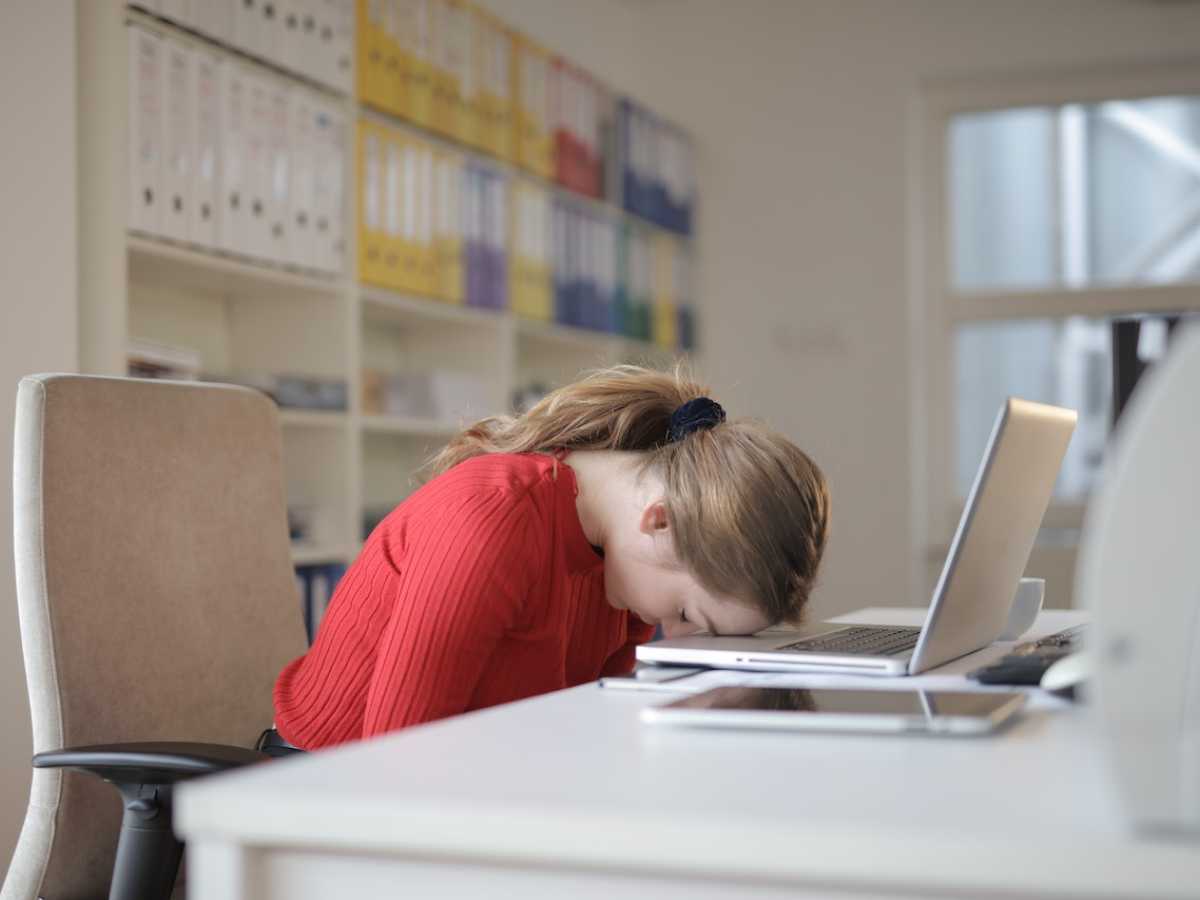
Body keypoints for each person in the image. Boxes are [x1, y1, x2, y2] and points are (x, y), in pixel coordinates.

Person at [272, 365, 830, 749]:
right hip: (324, 794)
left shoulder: (625, 565)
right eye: (688, 617)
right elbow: (398, 762)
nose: (678, 638)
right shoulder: (492, 518)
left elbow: (584, 729)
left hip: (473, 782)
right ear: (660, 521)